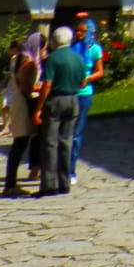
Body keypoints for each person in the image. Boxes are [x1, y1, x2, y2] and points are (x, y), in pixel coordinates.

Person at [34, 26, 86, 196]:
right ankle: (65, 181)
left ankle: (49, 184)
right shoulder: (78, 58)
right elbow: (83, 82)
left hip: (56, 100)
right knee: (66, 141)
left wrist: (39, 108)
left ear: (54, 41)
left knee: (50, 142)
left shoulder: (53, 59)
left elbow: (47, 84)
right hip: (73, 99)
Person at [2, 34, 42, 197]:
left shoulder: (15, 59)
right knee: (20, 145)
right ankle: (10, 183)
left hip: (16, 103)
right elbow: (27, 87)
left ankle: (10, 181)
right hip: (26, 104)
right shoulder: (29, 63)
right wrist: (41, 89)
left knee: (17, 145)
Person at [67, 15, 106, 183]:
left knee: (76, 134)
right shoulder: (70, 47)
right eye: (77, 30)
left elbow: (100, 72)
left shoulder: (94, 49)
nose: (79, 34)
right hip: (69, 92)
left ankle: (71, 170)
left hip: (84, 94)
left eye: (82, 31)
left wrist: (88, 79)